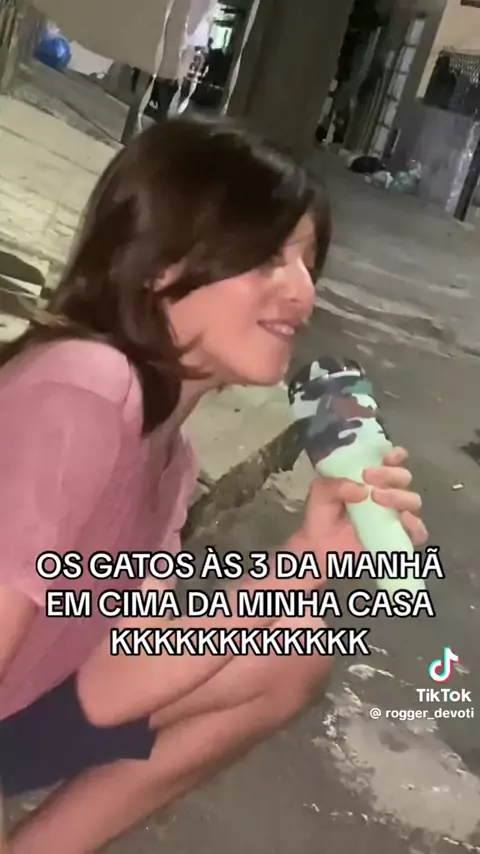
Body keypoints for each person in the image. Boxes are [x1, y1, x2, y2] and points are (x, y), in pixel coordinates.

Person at [0, 116, 427, 852]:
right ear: (159, 266)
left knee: (290, 652)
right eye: (268, 257)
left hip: (24, 704)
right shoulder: (85, 391)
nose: (303, 293)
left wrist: (307, 559)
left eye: (308, 264)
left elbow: (125, 665)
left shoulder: (172, 455)